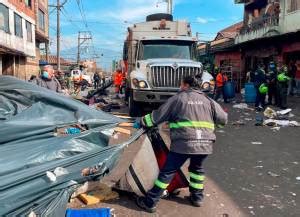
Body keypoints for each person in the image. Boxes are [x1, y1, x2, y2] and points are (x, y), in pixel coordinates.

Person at [136, 76, 228, 213]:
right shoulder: (209, 101)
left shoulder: (178, 98)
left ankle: (150, 202)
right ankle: (197, 197)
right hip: (205, 144)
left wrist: (142, 122)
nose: (180, 87)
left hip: (183, 143)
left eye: (181, 85)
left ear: (186, 85)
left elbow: (157, 116)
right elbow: (223, 120)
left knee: (168, 171)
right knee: (197, 169)